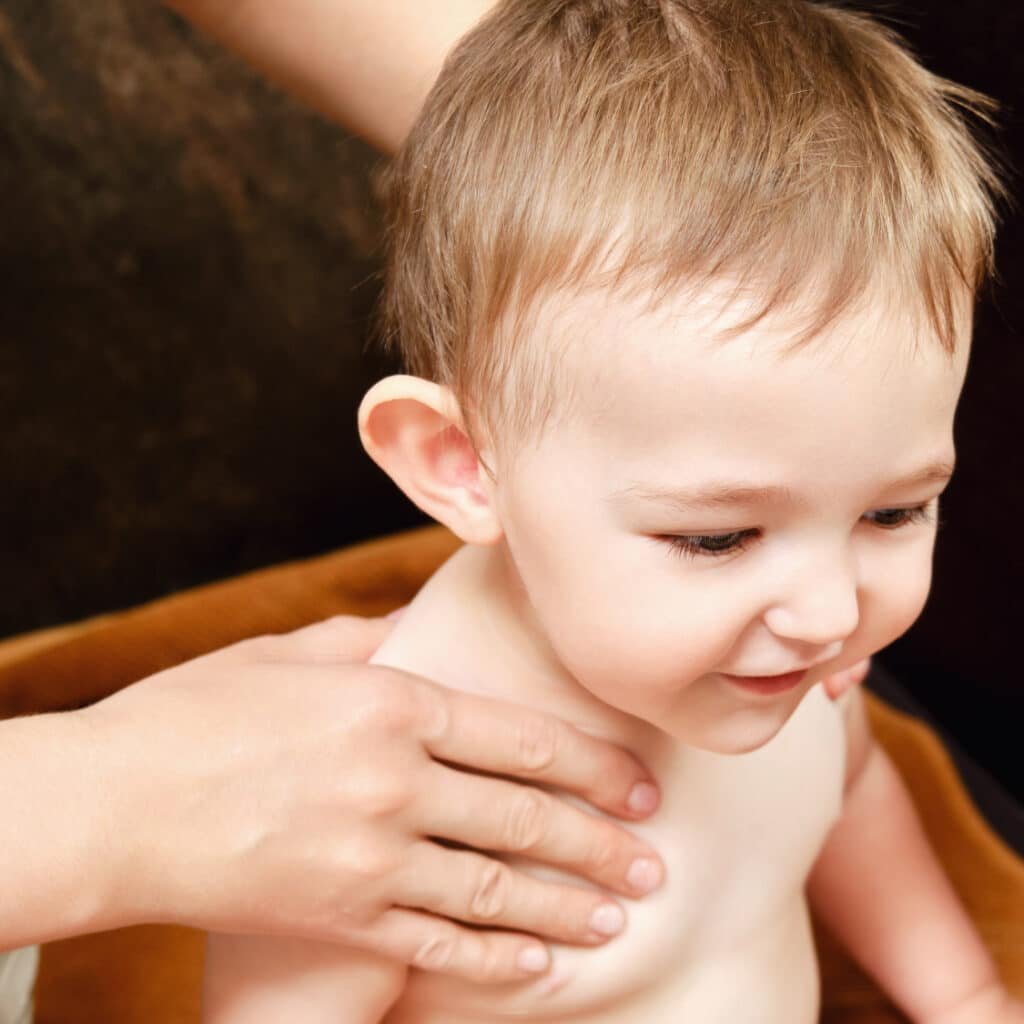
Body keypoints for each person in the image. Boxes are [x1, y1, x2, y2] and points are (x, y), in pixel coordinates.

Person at [200, 0, 1024, 1021]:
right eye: (718, 536)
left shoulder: (782, 658)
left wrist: (968, 995)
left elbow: (850, 794)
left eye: (894, 512)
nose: (827, 612)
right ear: (461, 464)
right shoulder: (369, 799)